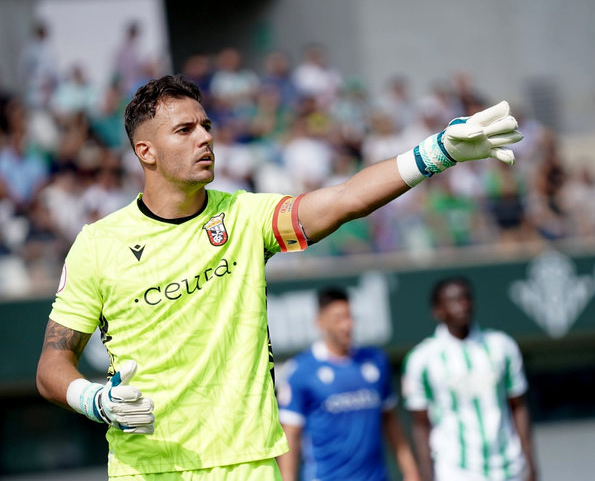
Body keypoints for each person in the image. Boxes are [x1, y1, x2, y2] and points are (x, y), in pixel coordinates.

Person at [35, 74, 523, 480]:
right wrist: (97, 400)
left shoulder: (246, 218)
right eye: (185, 131)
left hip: (248, 463)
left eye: (206, 125)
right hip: (147, 468)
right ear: (146, 151)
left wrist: (437, 151)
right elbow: (51, 368)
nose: (205, 137)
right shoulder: (98, 244)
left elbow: (345, 199)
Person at [276, 286, 420, 481]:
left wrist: (410, 471)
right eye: (338, 318)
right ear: (320, 322)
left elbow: (390, 420)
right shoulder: (301, 371)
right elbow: (291, 435)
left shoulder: (375, 361)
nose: (347, 325)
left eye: (349, 317)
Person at [402, 277, 537, 481]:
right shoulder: (422, 359)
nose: (463, 305)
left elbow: (518, 406)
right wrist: (427, 475)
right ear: (437, 310)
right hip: (456, 470)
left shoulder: (502, 347)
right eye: (454, 300)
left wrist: (530, 462)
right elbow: (420, 425)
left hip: (509, 468)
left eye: (466, 298)